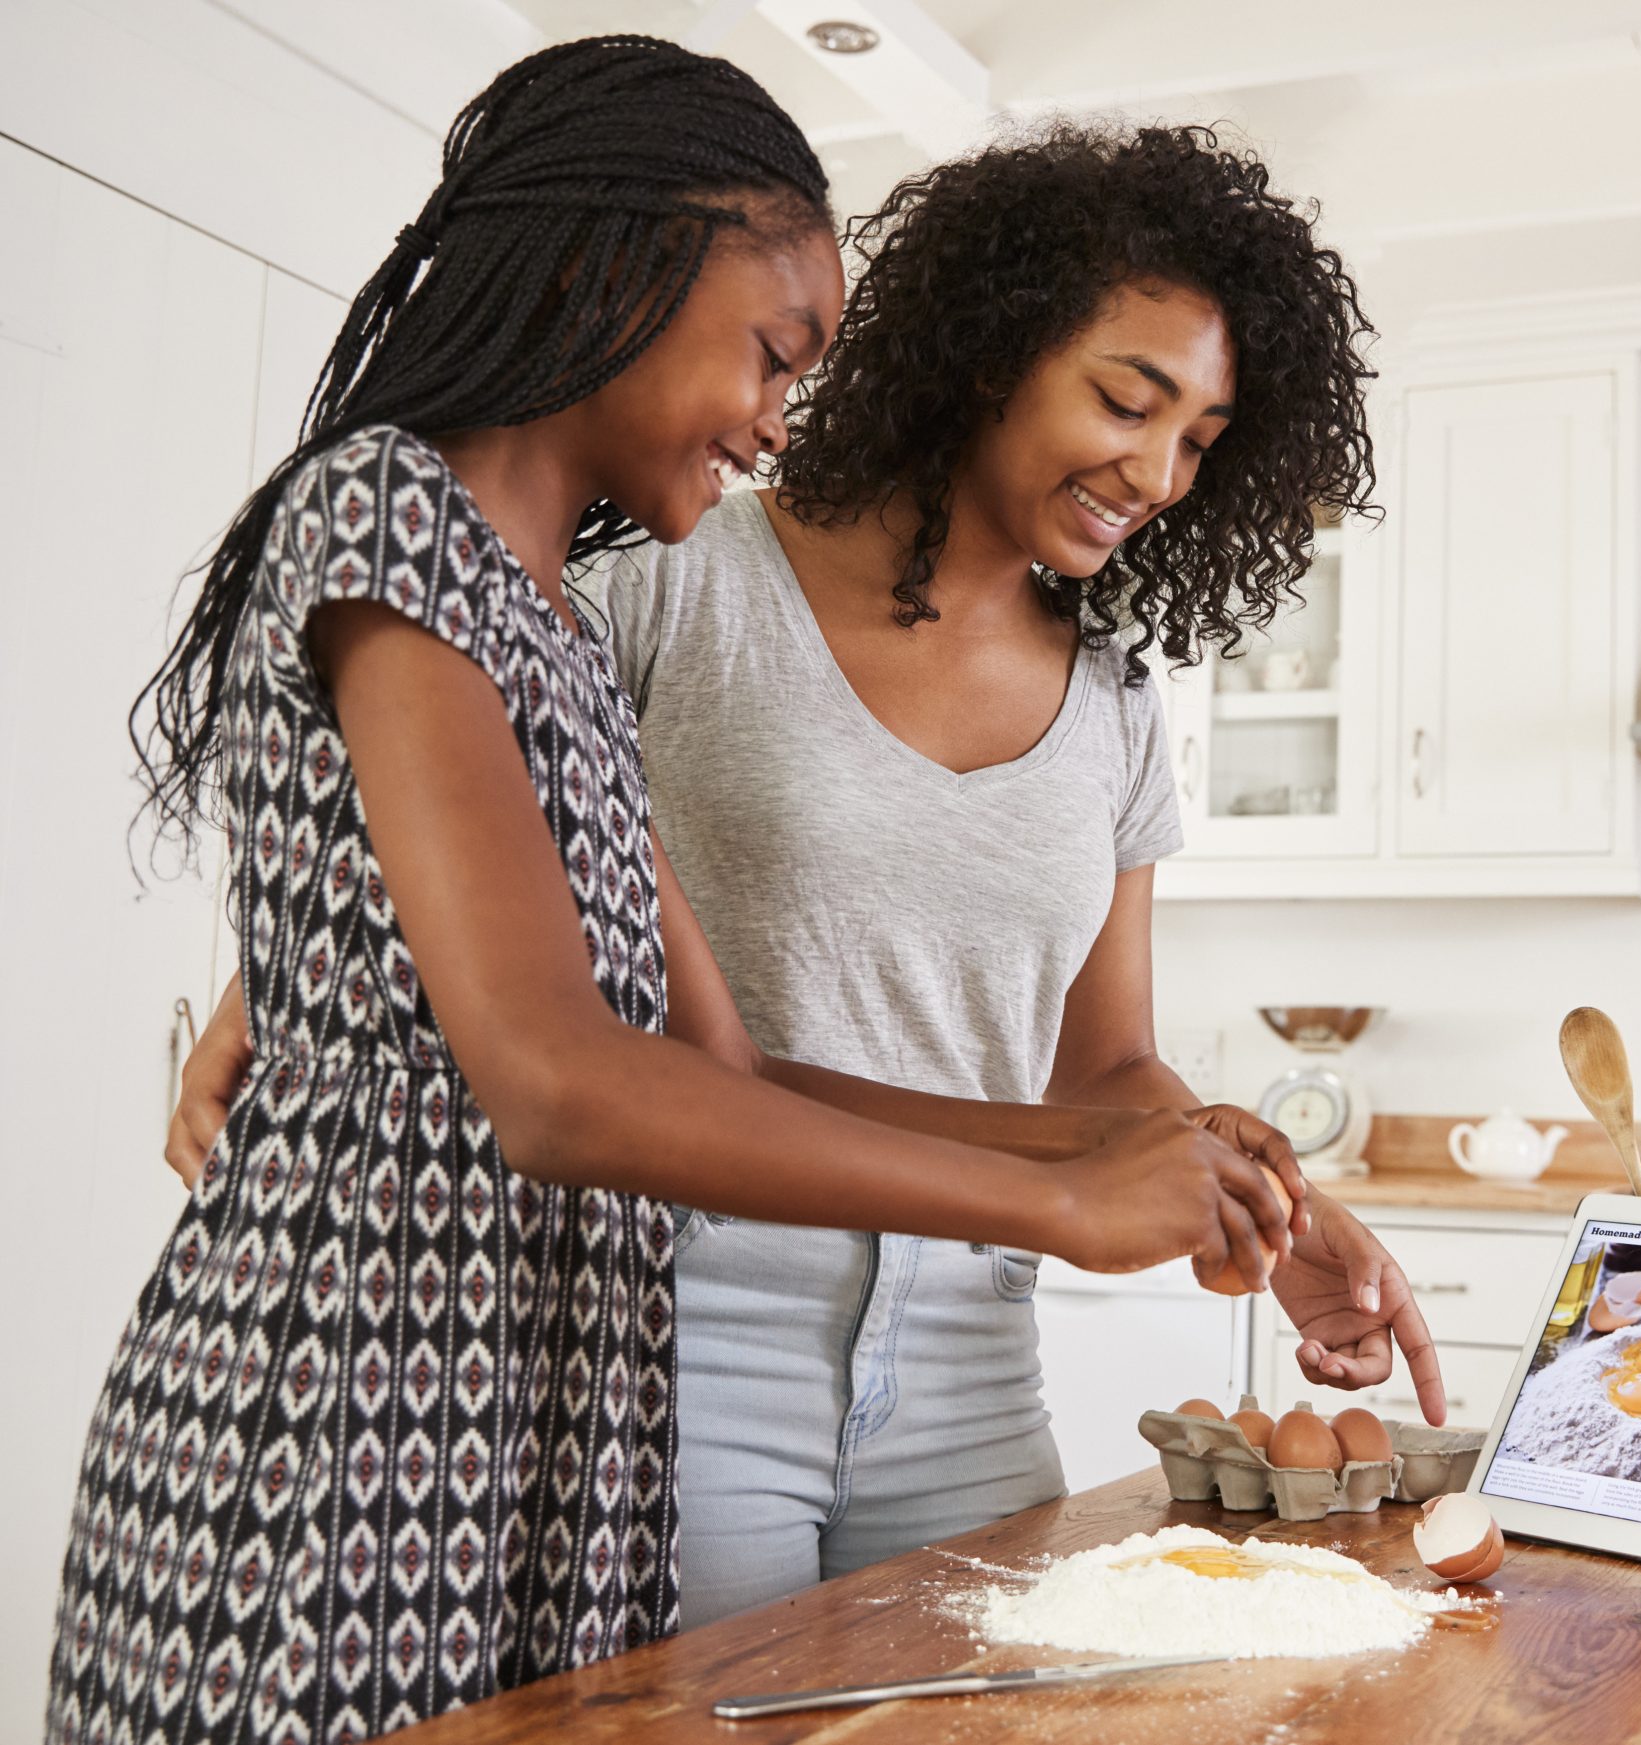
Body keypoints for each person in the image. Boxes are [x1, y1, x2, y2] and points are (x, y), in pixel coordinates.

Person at [62, 41, 1293, 1744]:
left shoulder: (555, 625)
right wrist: (1062, 1206)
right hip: (336, 1419)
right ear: (608, 280)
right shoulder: (387, 525)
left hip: (538, 1427)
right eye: (774, 351)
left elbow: (727, 1075)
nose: (786, 411)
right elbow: (558, 1077)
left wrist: (1117, 1149)